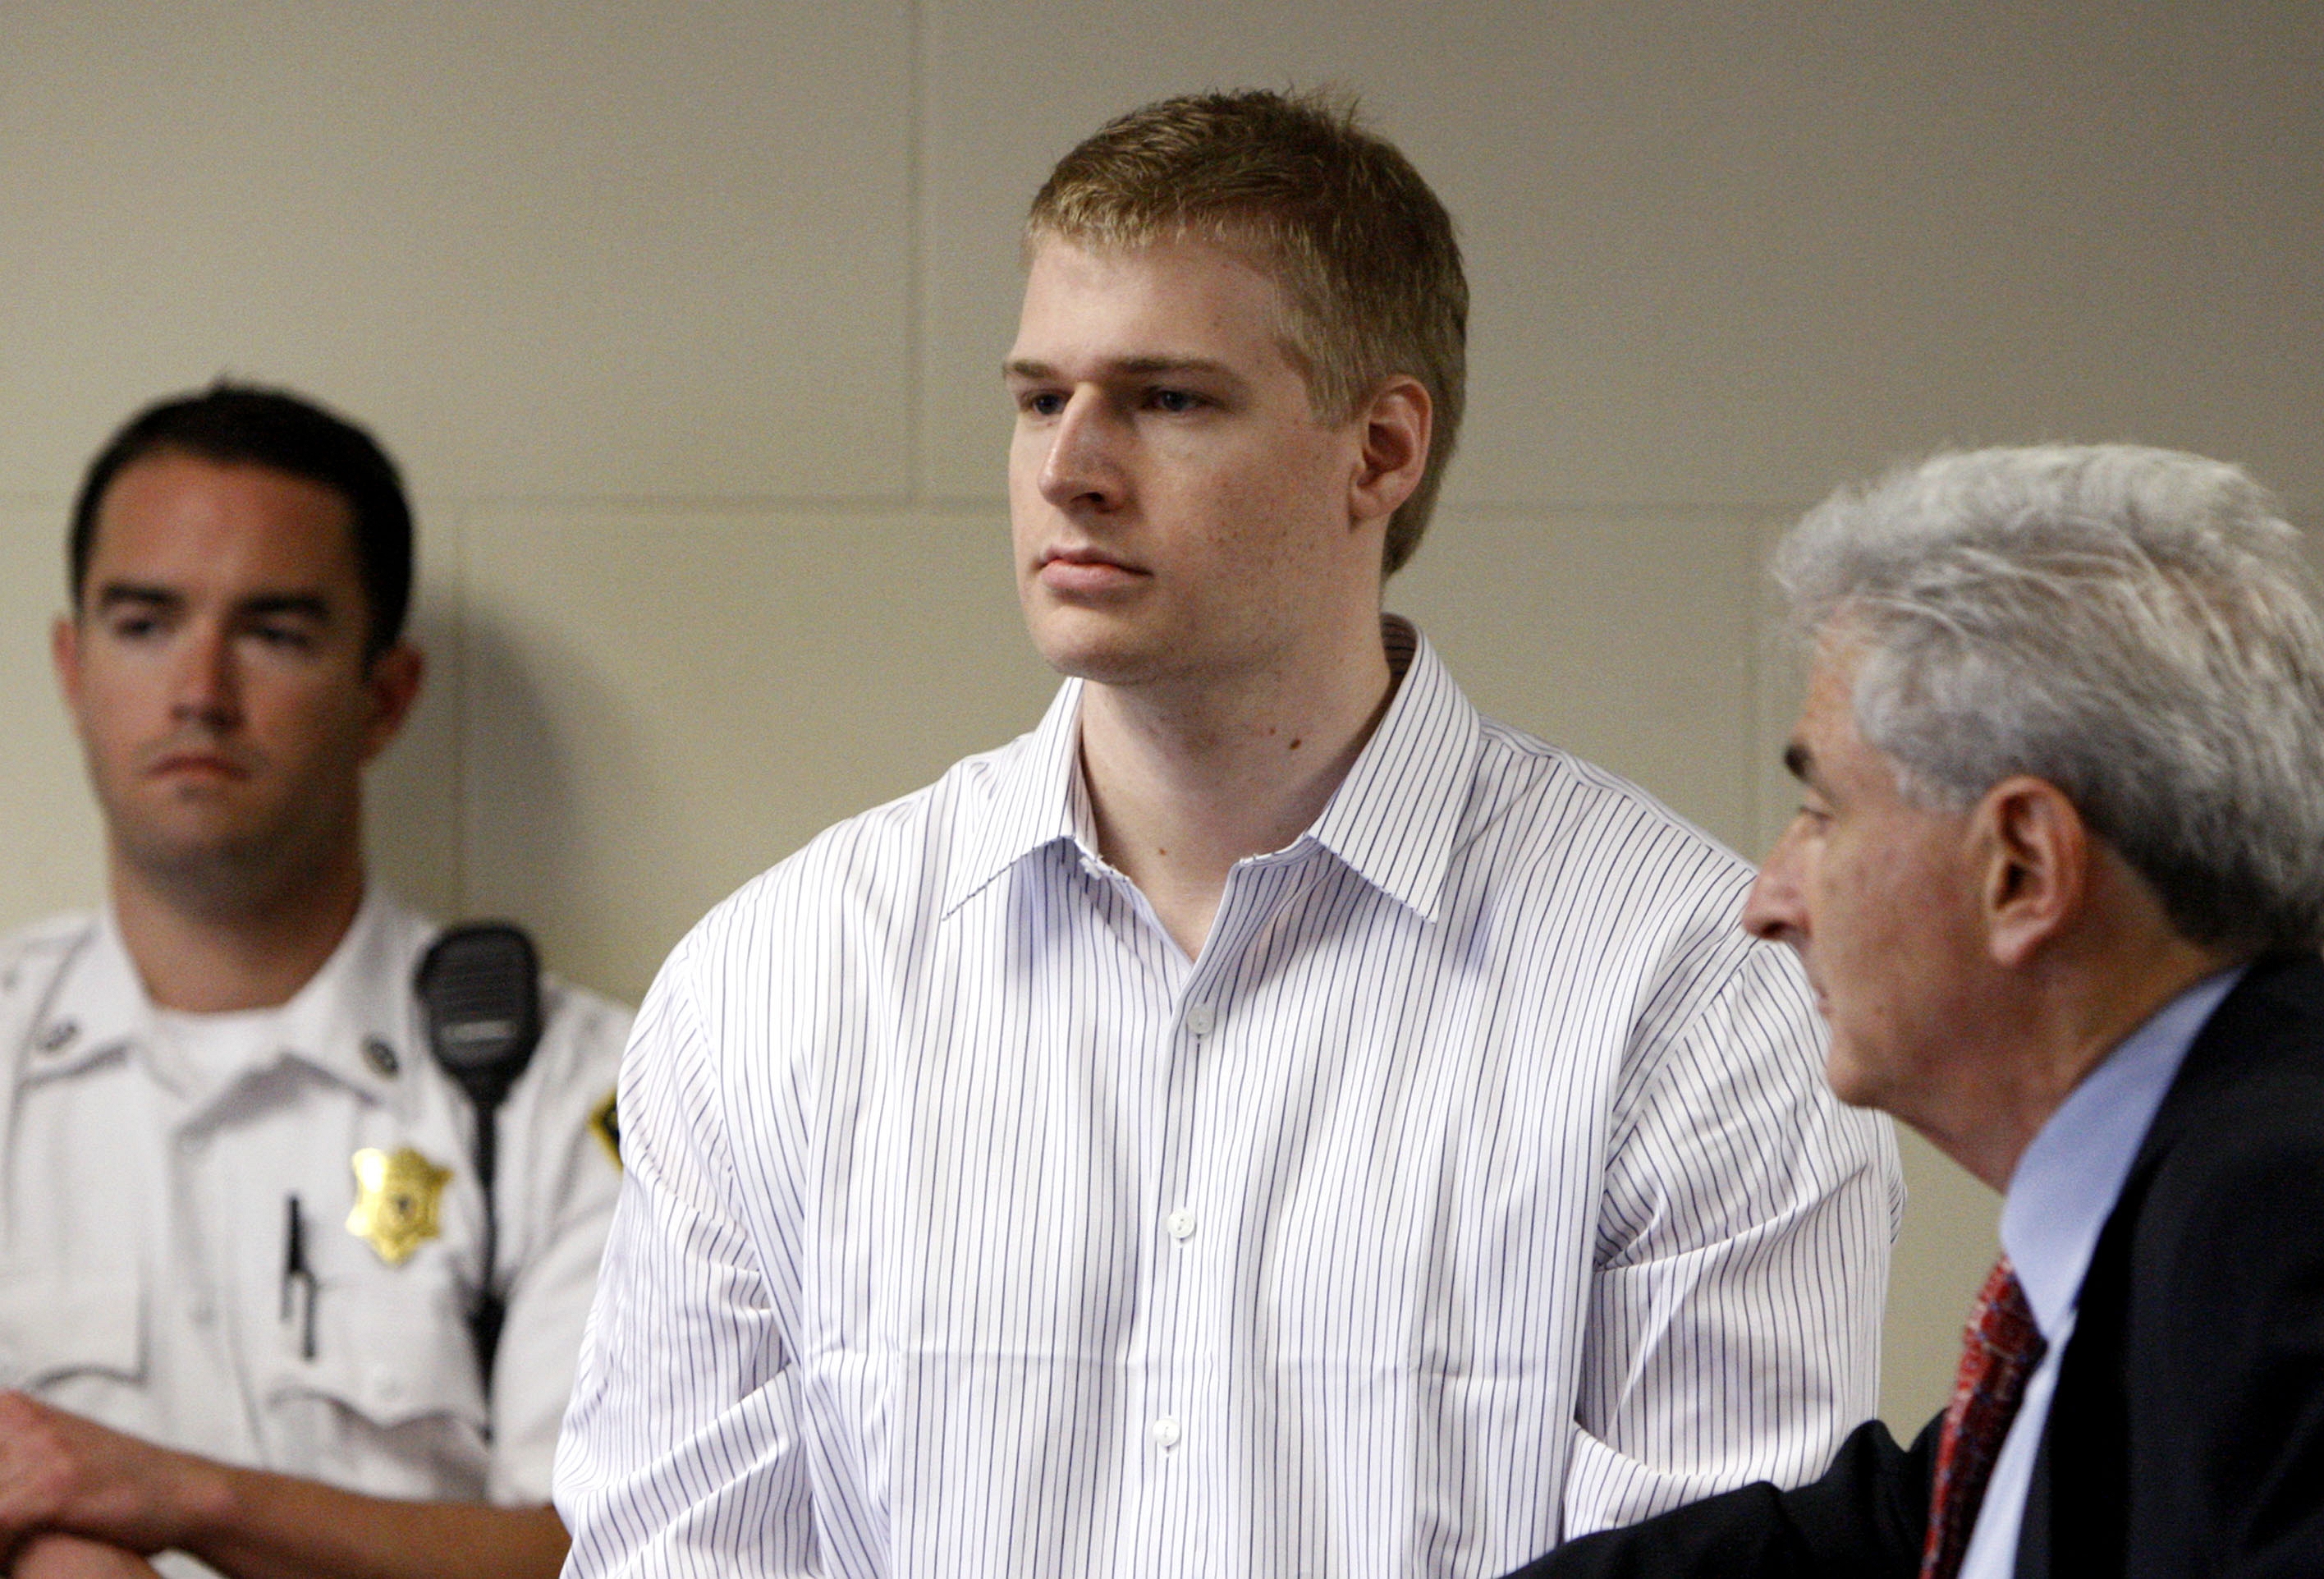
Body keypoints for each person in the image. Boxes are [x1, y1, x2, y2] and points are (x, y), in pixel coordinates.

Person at [553, 89, 1899, 1579]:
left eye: (1168, 399)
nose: (1070, 465)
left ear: (1379, 451)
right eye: (1035, 396)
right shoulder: (776, 983)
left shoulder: (1689, 992)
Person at [1506, 443, 2324, 1577]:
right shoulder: (2255, 1145)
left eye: (1823, 814)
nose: (1769, 900)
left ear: (2021, 868)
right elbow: (1887, 1537)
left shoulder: (2291, 1214)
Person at [0, 384, 631, 1579]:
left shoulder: (569, 1091)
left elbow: (603, 1556)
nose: (199, 690)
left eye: (275, 633)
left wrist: (174, 1499)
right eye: (145, 625)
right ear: (71, 668)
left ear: (385, 697)